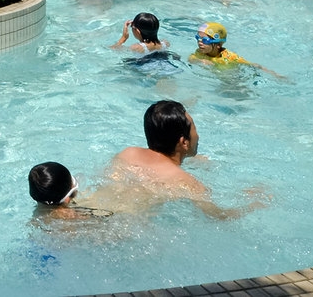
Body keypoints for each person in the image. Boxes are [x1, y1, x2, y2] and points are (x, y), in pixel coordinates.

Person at [106, 100, 263, 220]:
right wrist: (253, 203)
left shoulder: (128, 153)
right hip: (119, 229)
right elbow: (219, 217)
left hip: (86, 209)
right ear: (184, 142)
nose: (198, 136)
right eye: (194, 128)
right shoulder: (188, 183)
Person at [189, 22, 285, 78]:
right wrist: (199, 61)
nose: (200, 42)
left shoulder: (230, 57)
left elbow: (254, 65)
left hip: (233, 78)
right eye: (198, 38)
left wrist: (276, 75)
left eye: (205, 40)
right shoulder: (200, 52)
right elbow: (191, 59)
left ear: (218, 44)